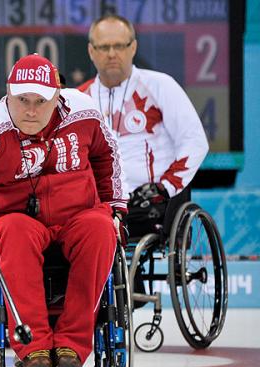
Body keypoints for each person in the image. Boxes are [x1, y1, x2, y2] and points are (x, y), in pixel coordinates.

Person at [0, 54, 127, 367]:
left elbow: (106, 154)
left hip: (77, 212)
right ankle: (35, 350)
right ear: (8, 93)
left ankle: (73, 346)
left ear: (57, 97)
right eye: (22, 100)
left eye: (40, 101)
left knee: (101, 229)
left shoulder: (83, 111)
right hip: (14, 215)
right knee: (14, 233)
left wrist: (115, 206)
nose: (30, 110)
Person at [79, 14, 209, 237]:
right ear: (91, 51)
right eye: (104, 47)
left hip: (149, 202)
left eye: (119, 45)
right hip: (97, 205)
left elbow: (195, 142)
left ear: (133, 47)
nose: (112, 54)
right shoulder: (80, 98)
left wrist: (165, 187)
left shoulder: (160, 86)